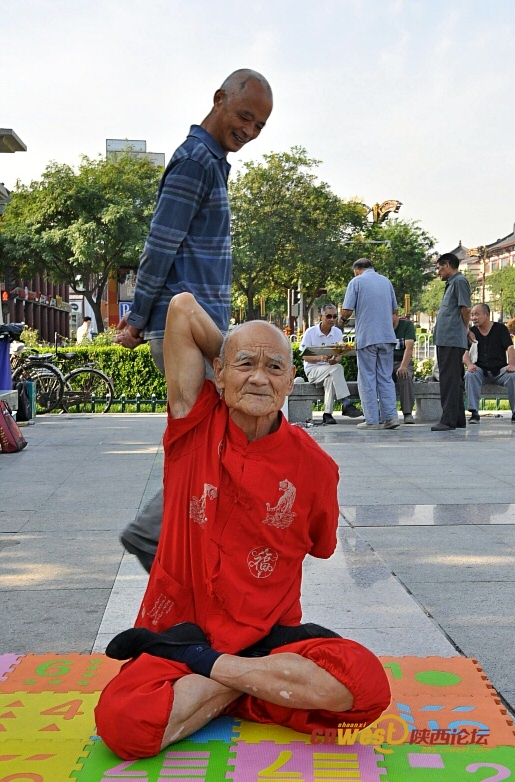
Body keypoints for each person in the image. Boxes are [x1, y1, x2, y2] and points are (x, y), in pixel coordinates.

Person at [94, 293, 390, 760]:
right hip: (183, 631)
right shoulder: (193, 425)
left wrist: (207, 665)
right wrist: (239, 353)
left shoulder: (316, 467)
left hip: (268, 640)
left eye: (274, 368)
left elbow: (322, 544)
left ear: (291, 381)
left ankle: (214, 674)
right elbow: (182, 308)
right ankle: (248, 685)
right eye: (245, 365)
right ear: (217, 372)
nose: (258, 377)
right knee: (124, 724)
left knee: (368, 686)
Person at [114, 69, 273, 572]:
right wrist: (137, 318)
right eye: (245, 116)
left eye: (260, 126)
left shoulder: (213, 164)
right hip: (181, 327)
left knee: (218, 437)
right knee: (215, 438)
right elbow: (160, 244)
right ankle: (153, 533)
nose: (250, 131)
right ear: (219, 99)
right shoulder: (194, 162)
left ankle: (183, 545)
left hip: (202, 327)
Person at [341, 259, 399, 430]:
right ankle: (391, 417)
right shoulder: (386, 281)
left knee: (367, 378)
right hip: (387, 337)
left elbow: (347, 310)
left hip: (367, 337)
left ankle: (372, 419)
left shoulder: (356, 282)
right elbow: (395, 312)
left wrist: (342, 320)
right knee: (385, 377)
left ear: (356, 270)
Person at [299, 303, 362, 424]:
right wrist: (321, 358)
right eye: (328, 316)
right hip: (313, 371)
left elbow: (339, 355)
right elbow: (304, 356)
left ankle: (327, 414)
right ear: (321, 316)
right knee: (337, 368)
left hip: (330, 370)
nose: (332, 319)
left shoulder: (337, 332)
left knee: (330, 379)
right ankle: (346, 403)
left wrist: (335, 360)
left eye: (334, 316)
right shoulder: (310, 332)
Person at [431, 253, 473, 431]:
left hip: (451, 338)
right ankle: (457, 418)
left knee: (449, 379)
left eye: (439, 267)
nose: (438, 271)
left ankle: (448, 420)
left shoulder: (459, 281)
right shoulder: (452, 283)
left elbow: (466, 308)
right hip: (447, 338)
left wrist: (465, 328)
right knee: (453, 379)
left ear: (447, 265)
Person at [464, 303, 515, 423]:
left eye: (477, 314)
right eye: (472, 315)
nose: (473, 318)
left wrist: (512, 364)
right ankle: (474, 413)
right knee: (470, 375)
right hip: (480, 371)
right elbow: (464, 353)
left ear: (487, 315)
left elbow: (510, 348)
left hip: (500, 370)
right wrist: (469, 365)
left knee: (513, 376)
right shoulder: (471, 332)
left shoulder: (500, 329)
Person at [393, 314, 416, 424]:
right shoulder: (382, 326)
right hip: (386, 362)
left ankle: (407, 413)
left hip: (402, 361)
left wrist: (403, 366)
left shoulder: (407, 326)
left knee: (404, 376)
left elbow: (409, 347)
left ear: (396, 315)